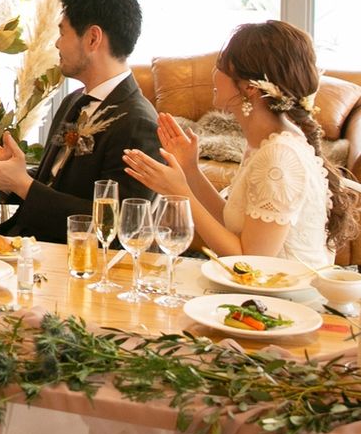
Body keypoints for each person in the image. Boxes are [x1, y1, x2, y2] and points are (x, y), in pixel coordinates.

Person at [123, 20, 358, 264]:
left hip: (282, 286)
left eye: (221, 66)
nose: (213, 74)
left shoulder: (279, 156)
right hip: (260, 284)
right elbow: (231, 223)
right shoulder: (265, 143)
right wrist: (190, 170)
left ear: (250, 88)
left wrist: (180, 193)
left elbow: (251, 261)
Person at [0, 0, 160, 242]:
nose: (56, 44)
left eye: (62, 33)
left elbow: (118, 227)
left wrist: (21, 183)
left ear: (93, 38)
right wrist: (6, 175)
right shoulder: (74, 101)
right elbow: (54, 184)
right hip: (23, 239)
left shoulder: (139, 124)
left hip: (63, 253)